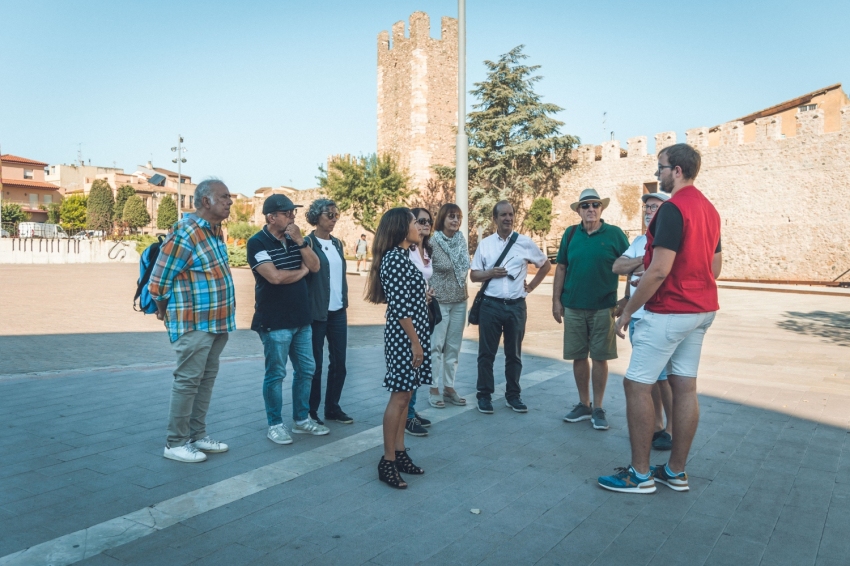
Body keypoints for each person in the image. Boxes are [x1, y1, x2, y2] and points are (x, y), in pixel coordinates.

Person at [598, 143, 722, 494]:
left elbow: (658, 271)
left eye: (660, 169)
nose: (658, 176)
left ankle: (639, 476)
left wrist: (627, 311)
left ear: (677, 171)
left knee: (636, 384)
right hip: (701, 310)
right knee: (685, 386)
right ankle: (676, 472)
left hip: (670, 310)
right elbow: (715, 267)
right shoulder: (710, 210)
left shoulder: (673, 209)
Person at [149, 178, 235, 463]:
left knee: (205, 380)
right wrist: (163, 311)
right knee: (187, 382)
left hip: (217, 322)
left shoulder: (215, 231)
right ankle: (175, 443)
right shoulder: (185, 233)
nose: (230, 201)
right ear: (206, 201)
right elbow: (159, 282)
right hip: (194, 322)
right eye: (224, 197)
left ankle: (197, 436)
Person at [247, 194, 328, 446]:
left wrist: (302, 242)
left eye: (294, 212)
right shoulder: (257, 242)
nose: (293, 217)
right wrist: (302, 270)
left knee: (306, 370)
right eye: (288, 213)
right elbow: (275, 277)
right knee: (276, 374)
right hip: (274, 321)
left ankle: (301, 420)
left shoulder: (297, 240)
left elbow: (315, 266)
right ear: (272, 217)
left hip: (301, 319)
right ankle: (275, 424)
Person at [365, 207, 432, 489]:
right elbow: (400, 307)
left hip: (413, 334)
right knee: (399, 396)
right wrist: (416, 343)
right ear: (400, 228)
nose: (419, 226)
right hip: (405, 337)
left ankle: (401, 452)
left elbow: (407, 298)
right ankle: (388, 460)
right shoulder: (393, 258)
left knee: (406, 397)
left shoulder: (403, 257)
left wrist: (423, 297)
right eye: (414, 222)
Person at [553, 188, 629, 431]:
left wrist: (627, 299)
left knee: (600, 357)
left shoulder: (615, 234)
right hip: (573, 306)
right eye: (585, 205)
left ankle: (598, 407)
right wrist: (556, 300)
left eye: (595, 204)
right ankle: (583, 404)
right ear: (578, 210)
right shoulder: (570, 233)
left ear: (602, 208)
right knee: (578, 356)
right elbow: (561, 268)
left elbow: (632, 265)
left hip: (603, 306)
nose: (591, 209)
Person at [471, 200, 551, 414]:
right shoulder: (486, 244)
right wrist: (491, 273)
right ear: (494, 219)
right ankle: (484, 396)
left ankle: (513, 395)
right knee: (486, 354)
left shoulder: (524, 242)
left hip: (516, 306)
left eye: (511, 214)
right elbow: (474, 275)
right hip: (490, 305)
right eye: (503, 215)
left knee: (514, 354)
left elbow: (546, 265)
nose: (507, 218)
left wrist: (531, 287)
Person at [612, 191, 673, 450]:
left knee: (662, 377)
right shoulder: (640, 240)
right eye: (647, 207)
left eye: (655, 207)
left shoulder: (668, 240)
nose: (649, 211)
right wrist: (644, 261)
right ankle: (657, 426)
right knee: (651, 377)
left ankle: (671, 429)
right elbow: (617, 266)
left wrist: (641, 266)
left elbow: (662, 272)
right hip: (638, 318)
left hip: (658, 316)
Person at [304, 199, 353, 425]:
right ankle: (311, 411)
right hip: (316, 312)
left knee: (340, 363)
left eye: (336, 215)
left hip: (338, 312)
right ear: (316, 216)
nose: (333, 219)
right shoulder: (307, 243)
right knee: (316, 365)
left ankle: (332, 407)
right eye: (329, 215)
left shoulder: (338, 244)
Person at [428, 204, 470, 408]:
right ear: (442, 218)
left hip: (460, 300)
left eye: (458, 217)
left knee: (453, 347)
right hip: (440, 302)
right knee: (436, 346)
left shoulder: (461, 240)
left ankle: (449, 386)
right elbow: (425, 270)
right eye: (451, 217)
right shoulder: (432, 241)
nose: (455, 221)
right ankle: (433, 387)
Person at [404, 208, 436, 436]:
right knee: (410, 364)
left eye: (428, 221)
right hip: (409, 315)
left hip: (424, 313)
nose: (425, 224)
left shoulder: (427, 249)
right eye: (420, 221)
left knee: (418, 363)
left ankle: (411, 411)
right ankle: (405, 417)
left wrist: (426, 293)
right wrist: (418, 296)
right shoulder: (406, 251)